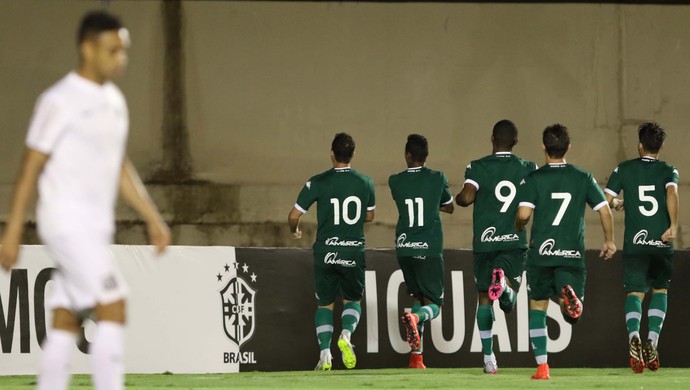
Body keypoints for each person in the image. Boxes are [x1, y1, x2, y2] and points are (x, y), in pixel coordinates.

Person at [0, 11, 170, 390]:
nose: (121, 58)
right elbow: (30, 165)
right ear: (87, 48)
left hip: (93, 228)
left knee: (66, 317)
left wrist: (152, 217)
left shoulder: (113, 101)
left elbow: (119, 167)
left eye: (124, 50)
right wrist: (12, 230)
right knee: (113, 304)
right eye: (113, 50)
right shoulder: (59, 100)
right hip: (65, 222)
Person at [515, 124, 616, 380]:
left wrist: (518, 225)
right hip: (571, 256)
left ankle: (542, 367)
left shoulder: (534, 179)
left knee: (537, 306)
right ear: (568, 147)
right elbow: (605, 211)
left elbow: (524, 215)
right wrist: (609, 241)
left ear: (543, 147)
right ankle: (572, 301)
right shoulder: (583, 177)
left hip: (540, 255)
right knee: (571, 317)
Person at [288, 133, 375, 371]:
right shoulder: (365, 182)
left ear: (331, 153)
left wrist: (294, 230)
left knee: (325, 304)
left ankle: (325, 353)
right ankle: (345, 335)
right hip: (353, 250)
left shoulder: (317, 182)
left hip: (326, 251)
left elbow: (294, 216)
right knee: (352, 299)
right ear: (353, 154)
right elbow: (369, 215)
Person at [456, 120, 537, 374]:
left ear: (492, 139)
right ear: (516, 142)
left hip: (485, 243)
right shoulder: (528, 168)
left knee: (483, 300)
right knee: (509, 302)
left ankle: (489, 358)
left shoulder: (477, 167)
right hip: (514, 242)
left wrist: (458, 197)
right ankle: (504, 287)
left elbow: (466, 198)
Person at [604, 122, 679, 374]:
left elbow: (606, 200)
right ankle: (652, 341)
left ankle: (634, 336)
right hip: (661, 242)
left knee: (635, 294)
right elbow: (672, 195)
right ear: (660, 147)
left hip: (635, 243)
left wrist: (616, 204)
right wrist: (674, 226)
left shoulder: (624, 169)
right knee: (660, 290)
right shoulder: (669, 170)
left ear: (639, 145)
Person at [388, 134, 454, 369]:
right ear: (426, 156)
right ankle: (416, 318)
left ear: (407, 155)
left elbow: (406, 198)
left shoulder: (394, 180)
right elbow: (449, 206)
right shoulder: (437, 178)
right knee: (434, 304)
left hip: (405, 247)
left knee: (418, 297)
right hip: (429, 247)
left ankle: (416, 359)